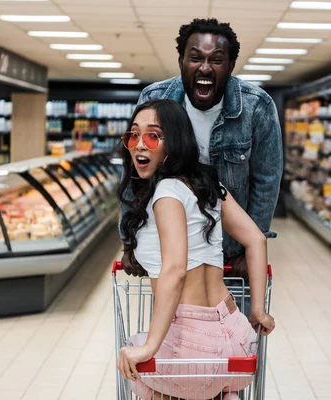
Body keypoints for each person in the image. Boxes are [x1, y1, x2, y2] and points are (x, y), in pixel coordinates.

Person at [119, 18, 283, 316]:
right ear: (181, 61)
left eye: (216, 60)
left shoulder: (257, 106)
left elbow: (266, 180)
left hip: (230, 251)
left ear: (231, 65)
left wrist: (251, 246)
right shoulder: (156, 100)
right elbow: (135, 174)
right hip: (172, 251)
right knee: (182, 337)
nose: (205, 68)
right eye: (195, 58)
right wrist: (129, 239)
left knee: (231, 346)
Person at [116, 99, 275, 400]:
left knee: (135, 368)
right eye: (133, 135)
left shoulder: (165, 194)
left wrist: (149, 347)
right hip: (239, 341)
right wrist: (257, 311)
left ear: (173, 143)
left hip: (193, 351)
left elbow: (175, 270)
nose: (139, 145)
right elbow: (256, 239)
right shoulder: (207, 185)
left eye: (152, 136)